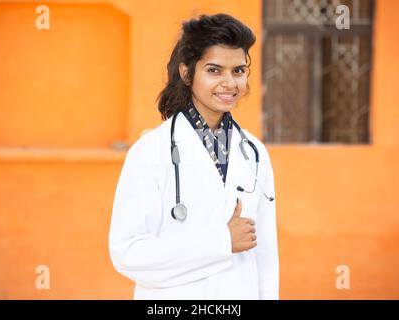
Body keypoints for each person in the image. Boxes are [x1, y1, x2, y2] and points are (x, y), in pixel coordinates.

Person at [109, 13, 279, 300]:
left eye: (238, 71)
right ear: (187, 73)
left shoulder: (253, 153)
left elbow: (265, 256)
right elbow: (128, 253)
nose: (229, 83)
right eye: (214, 70)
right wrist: (221, 241)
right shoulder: (150, 151)